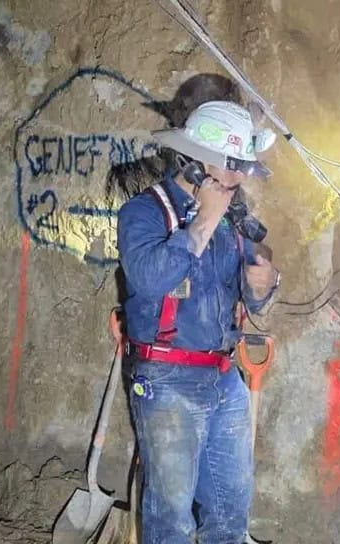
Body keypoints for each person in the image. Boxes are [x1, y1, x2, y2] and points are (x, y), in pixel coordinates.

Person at [117, 100, 280, 543]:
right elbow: (150, 280)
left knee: (230, 513)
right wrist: (204, 221)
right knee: (171, 519)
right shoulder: (144, 213)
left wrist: (264, 284)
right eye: (229, 166)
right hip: (167, 381)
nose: (238, 178)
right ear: (191, 161)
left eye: (242, 167)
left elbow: (250, 298)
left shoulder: (234, 219)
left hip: (225, 378)